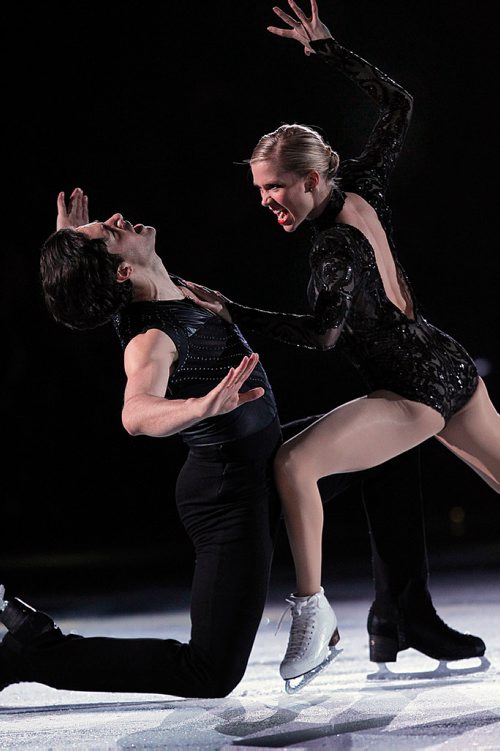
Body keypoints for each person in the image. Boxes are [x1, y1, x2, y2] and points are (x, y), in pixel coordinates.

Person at [0, 183, 484, 700]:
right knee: (209, 672)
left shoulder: (165, 285)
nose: (117, 217)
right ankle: (34, 651)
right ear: (122, 271)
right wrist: (199, 407)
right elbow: (135, 413)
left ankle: (402, 613)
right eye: (109, 231)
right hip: (229, 497)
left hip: (269, 457)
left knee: (389, 446)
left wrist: (70, 241)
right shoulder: (152, 339)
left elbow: (86, 293)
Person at [183, 0, 499, 688]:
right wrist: (327, 48)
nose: (267, 201)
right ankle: (385, 613)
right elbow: (399, 102)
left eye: (275, 189)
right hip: (446, 362)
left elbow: (322, 335)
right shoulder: (365, 180)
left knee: (295, 463)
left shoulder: (329, 250)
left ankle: (312, 615)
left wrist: (231, 306)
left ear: (311, 179)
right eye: (260, 189)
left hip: (414, 390)